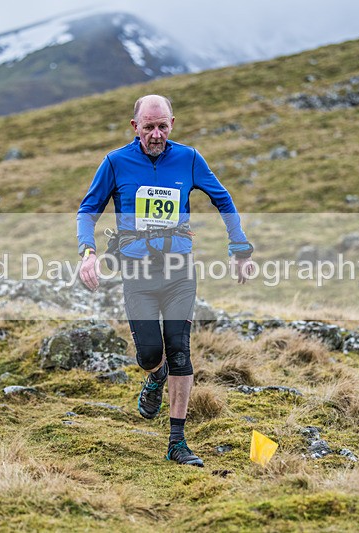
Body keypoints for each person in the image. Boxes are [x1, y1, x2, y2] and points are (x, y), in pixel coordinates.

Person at [77, 95, 254, 467]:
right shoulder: (115, 162)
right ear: (134, 126)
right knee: (149, 353)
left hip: (179, 272)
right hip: (137, 273)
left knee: (179, 349)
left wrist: (239, 247)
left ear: (172, 123)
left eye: (163, 126)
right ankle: (154, 376)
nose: (156, 135)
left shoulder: (189, 158)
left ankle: (177, 440)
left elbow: (223, 199)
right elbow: (88, 209)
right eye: (148, 127)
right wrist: (87, 252)